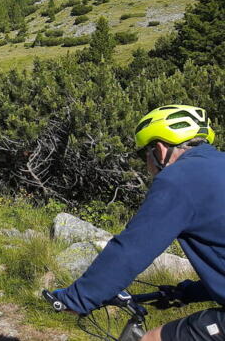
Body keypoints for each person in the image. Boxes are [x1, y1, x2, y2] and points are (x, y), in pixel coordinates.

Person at [50, 105, 224, 341]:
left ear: (159, 149)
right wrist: (189, 292)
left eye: (145, 154)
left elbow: (133, 248)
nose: (146, 162)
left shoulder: (179, 179)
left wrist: (77, 298)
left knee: (152, 339)